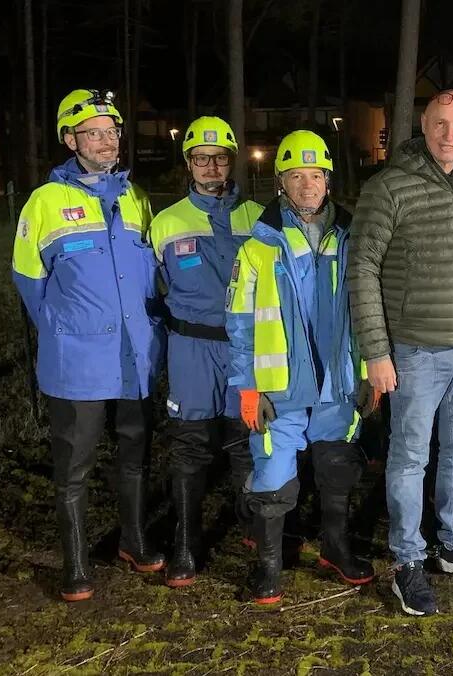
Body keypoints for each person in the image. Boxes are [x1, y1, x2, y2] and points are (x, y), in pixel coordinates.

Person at [348, 89, 453, 617]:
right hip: (414, 351)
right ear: (424, 124)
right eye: (441, 124)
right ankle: (407, 559)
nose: (449, 135)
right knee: (410, 457)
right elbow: (362, 269)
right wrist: (376, 351)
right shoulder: (388, 187)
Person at [11, 89, 163, 601]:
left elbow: (149, 274)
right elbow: (29, 280)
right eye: (93, 133)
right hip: (78, 363)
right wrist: (64, 331)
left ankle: (133, 541)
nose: (106, 141)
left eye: (112, 131)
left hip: (135, 357)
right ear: (70, 140)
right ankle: (75, 564)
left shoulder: (136, 198)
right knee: (74, 466)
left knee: (135, 455)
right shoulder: (45, 202)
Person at [225, 130, 377, 605]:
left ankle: (335, 549)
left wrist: (368, 372)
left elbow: (369, 311)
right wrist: (247, 388)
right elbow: (240, 325)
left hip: (338, 385)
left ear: (328, 181)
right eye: (296, 176)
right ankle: (268, 567)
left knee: (337, 470)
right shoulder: (257, 247)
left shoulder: (353, 239)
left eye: (315, 175)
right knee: (273, 476)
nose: (307, 185)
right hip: (280, 390)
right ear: (280, 183)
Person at [149, 116, 262, 587]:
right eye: (201, 158)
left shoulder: (259, 218)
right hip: (191, 348)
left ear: (231, 161)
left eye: (219, 158)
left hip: (245, 349)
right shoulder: (166, 222)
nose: (211, 166)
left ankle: (253, 525)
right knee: (190, 447)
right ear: (188, 163)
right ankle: (186, 542)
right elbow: (152, 289)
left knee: (246, 440)